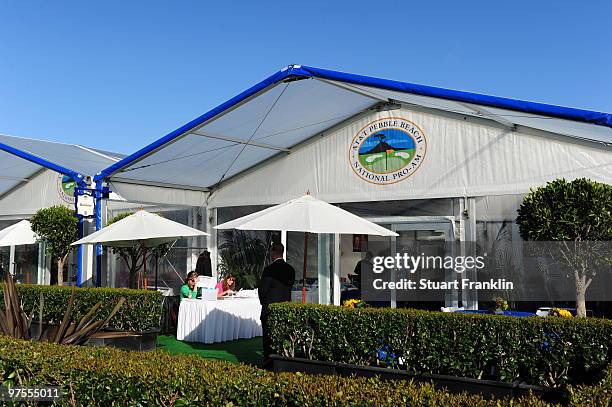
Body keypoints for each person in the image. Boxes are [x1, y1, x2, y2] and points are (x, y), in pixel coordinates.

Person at [258, 242, 295, 361]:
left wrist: (264, 303)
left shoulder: (269, 270)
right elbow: (289, 287)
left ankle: (268, 360)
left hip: (270, 306)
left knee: (268, 337)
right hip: (285, 305)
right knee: (283, 334)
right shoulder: (291, 270)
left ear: (273, 253)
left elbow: (263, 289)